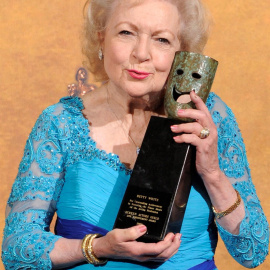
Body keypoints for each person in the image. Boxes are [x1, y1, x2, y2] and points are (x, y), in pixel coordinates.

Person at [2, 0, 269, 269]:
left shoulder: (210, 118)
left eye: (162, 40)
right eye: (126, 33)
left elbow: (252, 252)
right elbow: (16, 250)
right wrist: (97, 248)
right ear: (101, 39)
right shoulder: (61, 122)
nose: (141, 53)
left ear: (182, 53)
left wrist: (212, 173)